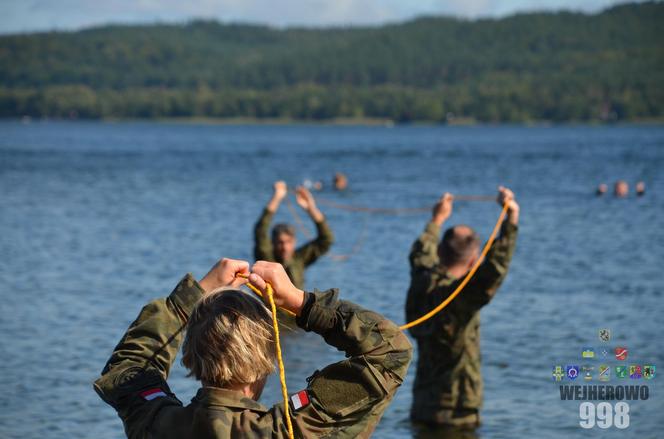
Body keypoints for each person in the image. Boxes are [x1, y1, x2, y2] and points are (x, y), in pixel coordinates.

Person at [94, 258, 412, 438]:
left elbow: (128, 369)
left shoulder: (156, 423)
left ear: (190, 355)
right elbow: (391, 353)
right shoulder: (291, 430)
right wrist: (301, 303)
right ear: (267, 360)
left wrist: (192, 297)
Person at [405, 186, 519, 429]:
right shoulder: (460, 297)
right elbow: (493, 271)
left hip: (423, 406)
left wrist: (437, 219)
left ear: (439, 252)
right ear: (473, 260)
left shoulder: (422, 282)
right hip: (458, 412)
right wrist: (511, 219)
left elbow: (420, 255)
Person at [254, 181, 334, 290]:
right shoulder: (266, 259)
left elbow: (326, 239)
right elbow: (261, 230)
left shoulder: (299, 259)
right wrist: (277, 197)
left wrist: (310, 208)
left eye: (289, 242)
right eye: (280, 243)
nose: (285, 247)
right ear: (273, 243)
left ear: (294, 242)